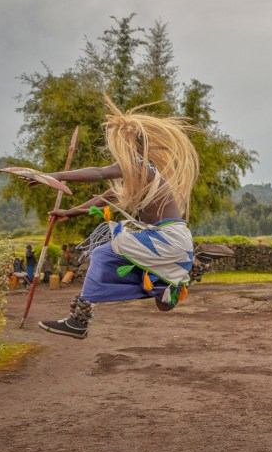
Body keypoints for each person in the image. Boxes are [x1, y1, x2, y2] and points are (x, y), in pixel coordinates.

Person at [36, 96, 200, 339]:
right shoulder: (142, 176)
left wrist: (52, 175)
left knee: (104, 253)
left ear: (130, 145)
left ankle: (78, 321)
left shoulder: (139, 165)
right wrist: (69, 213)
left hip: (166, 238)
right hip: (174, 241)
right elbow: (104, 198)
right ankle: (176, 284)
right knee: (162, 302)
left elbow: (99, 173)